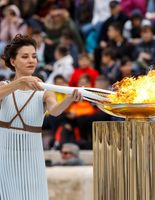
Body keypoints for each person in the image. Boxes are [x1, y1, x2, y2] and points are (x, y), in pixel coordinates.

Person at [0, 34, 82, 200]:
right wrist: (20, 82)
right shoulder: (5, 87)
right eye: (25, 56)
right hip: (4, 155)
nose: (31, 60)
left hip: (32, 155)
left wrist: (70, 98)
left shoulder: (44, 91)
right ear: (13, 61)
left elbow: (55, 110)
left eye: (34, 56)